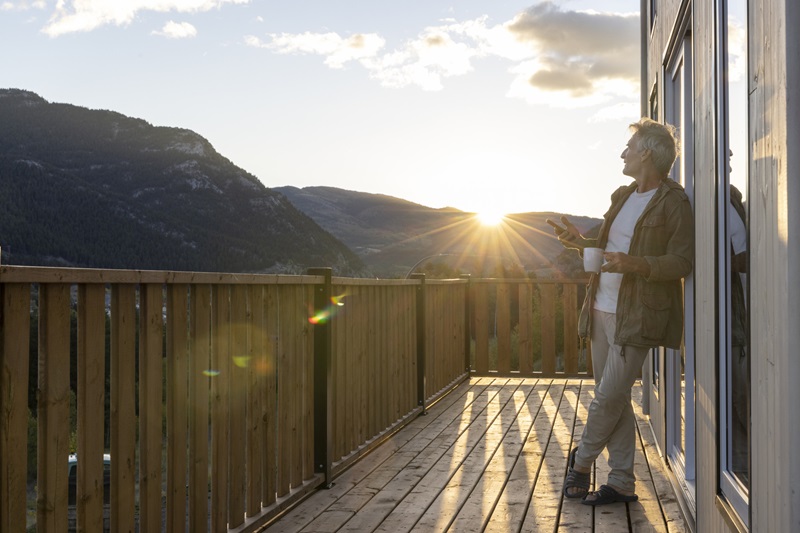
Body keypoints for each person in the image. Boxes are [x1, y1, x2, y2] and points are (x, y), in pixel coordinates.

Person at [547, 117, 694, 506]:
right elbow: (609, 244)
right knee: (612, 398)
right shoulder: (623, 195)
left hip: (639, 314)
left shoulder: (674, 201)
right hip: (599, 306)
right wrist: (581, 242)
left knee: (607, 397)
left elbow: (681, 261)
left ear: (646, 153)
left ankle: (580, 461)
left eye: (629, 148)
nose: (623, 153)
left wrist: (636, 264)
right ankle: (622, 482)